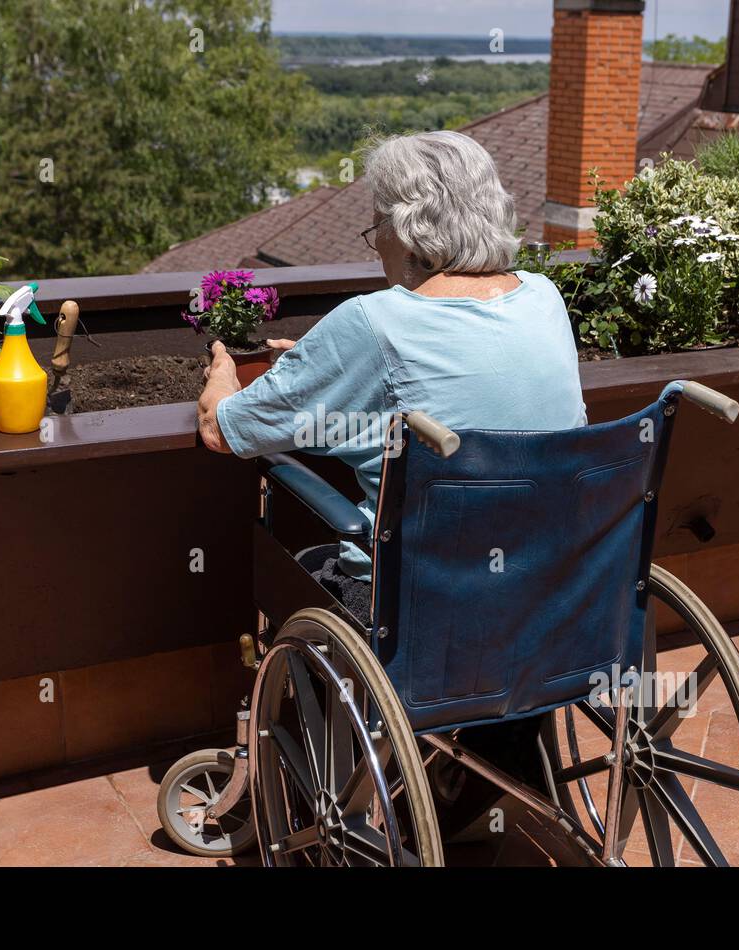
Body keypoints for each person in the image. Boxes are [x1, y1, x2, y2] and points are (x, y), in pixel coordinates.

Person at [196, 129, 587, 622]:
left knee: (302, 566)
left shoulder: (373, 321)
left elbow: (221, 429)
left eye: (377, 223)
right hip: (547, 585)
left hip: (422, 603)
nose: (375, 241)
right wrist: (326, 364)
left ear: (405, 228)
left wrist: (223, 370)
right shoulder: (544, 296)